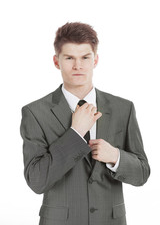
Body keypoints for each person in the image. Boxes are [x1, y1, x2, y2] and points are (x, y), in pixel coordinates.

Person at [20, 22, 150, 225]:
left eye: (85, 57)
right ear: (56, 61)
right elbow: (37, 181)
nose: (78, 66)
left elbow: (142, 173)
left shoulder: (123, 108)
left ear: (95, 60)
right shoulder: (35, 113)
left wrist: (115, 157)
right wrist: (76, 133)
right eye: (69, 58)